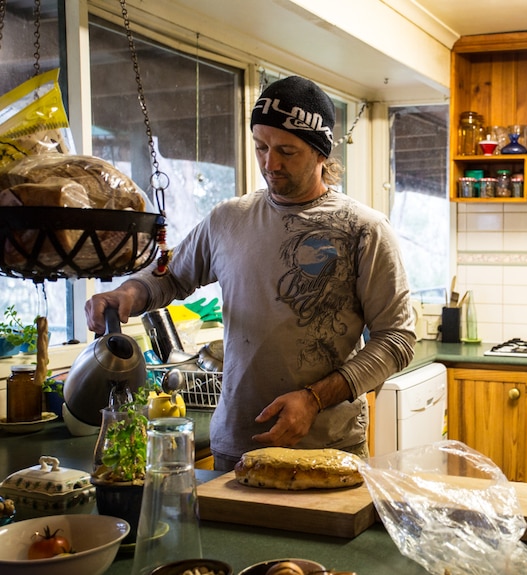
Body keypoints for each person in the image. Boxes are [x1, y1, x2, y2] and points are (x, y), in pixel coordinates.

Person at [85, 76, 416, 471]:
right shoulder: (229, 218)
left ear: (321, 153)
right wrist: (128, 293)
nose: (269, 163)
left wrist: (313, 399)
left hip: (327, 449)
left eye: (287, 151)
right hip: (237, 445)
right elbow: (169, 276)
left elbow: (397, 338)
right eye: (261, 147)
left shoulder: (363, 229)